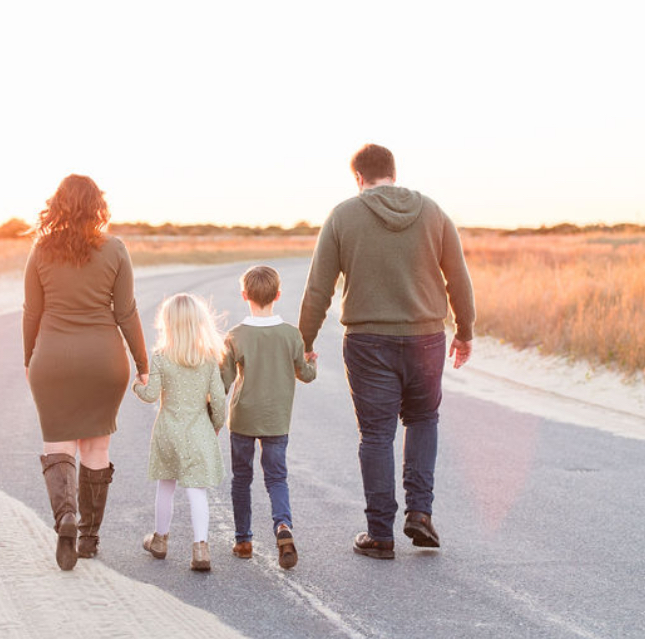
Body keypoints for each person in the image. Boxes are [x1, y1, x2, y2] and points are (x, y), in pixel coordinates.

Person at [298, 144, 475, 560]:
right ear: (394, 173)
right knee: (423, 419)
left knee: (376, 434)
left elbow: (318, 288)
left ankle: (380, 534)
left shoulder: (344, 215)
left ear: (358, 177)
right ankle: (421, 513)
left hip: (367, 342)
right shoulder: (433, 212)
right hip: (426, 337)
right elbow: (459, 278)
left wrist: (303, 342)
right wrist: (465, 331)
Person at [23, 174, 149, 571]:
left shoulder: (41, 250)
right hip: (103, 361)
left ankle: (65, 517)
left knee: (58, 446)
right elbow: (125, 312)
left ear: (57, 205)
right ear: (98, 207)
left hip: (53, 361)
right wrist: (143, 364)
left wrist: (30, 359)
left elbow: (32, 312)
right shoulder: (115, 248)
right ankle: (89, 538)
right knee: (96, 448)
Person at [219, 265, 316, 569]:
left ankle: (243, 540)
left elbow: (222, 383)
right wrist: (312, 362)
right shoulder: (291, 335)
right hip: (276, 418)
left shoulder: (235, 336)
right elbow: (306, 375)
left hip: (243, 418)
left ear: (244, 294)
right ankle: (283, 527)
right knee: (277, 477)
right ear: (277, 294)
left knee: (242, 479)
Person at [134, 293, 227, 572]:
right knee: (197, 490)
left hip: (168, 432)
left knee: (166, 486)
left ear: (168, 323)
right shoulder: (209, 358)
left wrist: (136, 386)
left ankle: (160, 540)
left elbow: (151, 394)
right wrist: (216, 425)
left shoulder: (161, 357)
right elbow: (219, 399)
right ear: (199, 322)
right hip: (197, 429)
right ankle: (200, 548)